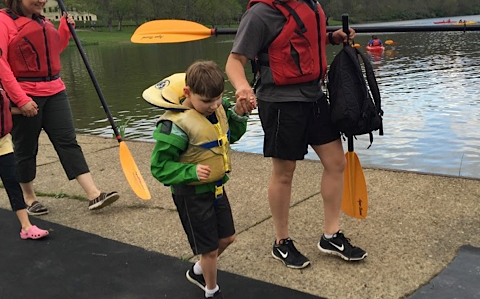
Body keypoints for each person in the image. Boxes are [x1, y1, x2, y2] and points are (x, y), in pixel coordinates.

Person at [225, 0, 367, 270]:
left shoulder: (310, 4)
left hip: (314, 96)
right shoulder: (260, 14)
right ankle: (282, 242)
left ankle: (330, 235)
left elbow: (299, 43)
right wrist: (242, 87)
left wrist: (330, 37)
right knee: (284, 173)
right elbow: (234, 61)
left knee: (337, 163)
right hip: (279, 103)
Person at [0, 0, 119, 215]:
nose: (42, 0)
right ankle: (28, 198)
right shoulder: (1, 21)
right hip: (24, 92)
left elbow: (53, 51)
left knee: (68, 141)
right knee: (26, 147)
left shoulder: (42, 20)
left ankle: (94, 194)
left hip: (55, 90)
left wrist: (64, 30)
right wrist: (20, 99)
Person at [147, 61, 252, 299]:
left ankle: (197, 272)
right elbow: (159, 167)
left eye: (217, 99)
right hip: (191, 196)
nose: (214, 105)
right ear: (188, 93)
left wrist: (239, 114)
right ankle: (211, 290)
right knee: (209, 250)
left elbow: (230, 137)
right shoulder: (174, 126)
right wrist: (191, 173)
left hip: (215, 190)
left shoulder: (217, 109)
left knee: (227, 238)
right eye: (206, 101)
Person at [0, 37, 48, 239]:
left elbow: (0, 109)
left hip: (3, 144)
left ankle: (26, 226)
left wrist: (21, 110)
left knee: (13, 182)